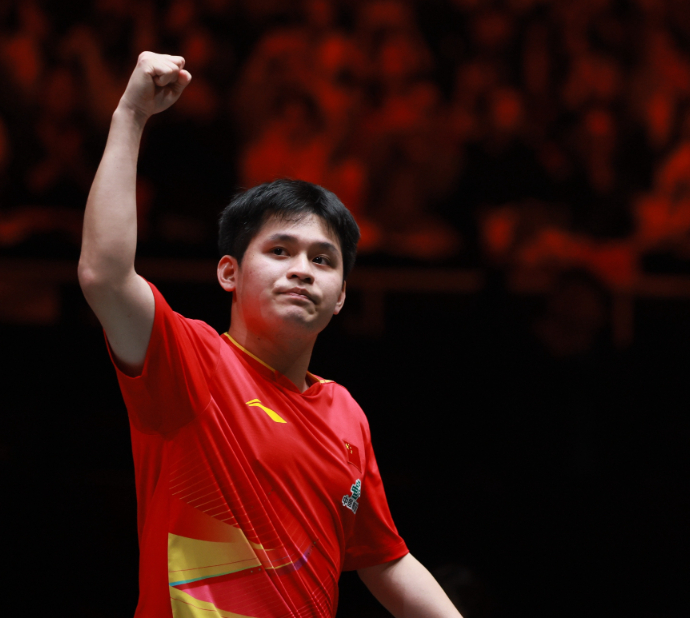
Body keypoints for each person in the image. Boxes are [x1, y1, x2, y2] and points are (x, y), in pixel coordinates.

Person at [78, 51, 461, 618]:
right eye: (279, 251)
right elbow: (105, 275)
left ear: (341, 298)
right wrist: (131, 114)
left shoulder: (345, 414)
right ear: (229, 272)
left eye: (324, 260)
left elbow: (384, 559)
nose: (303, 269)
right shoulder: (189, 362)